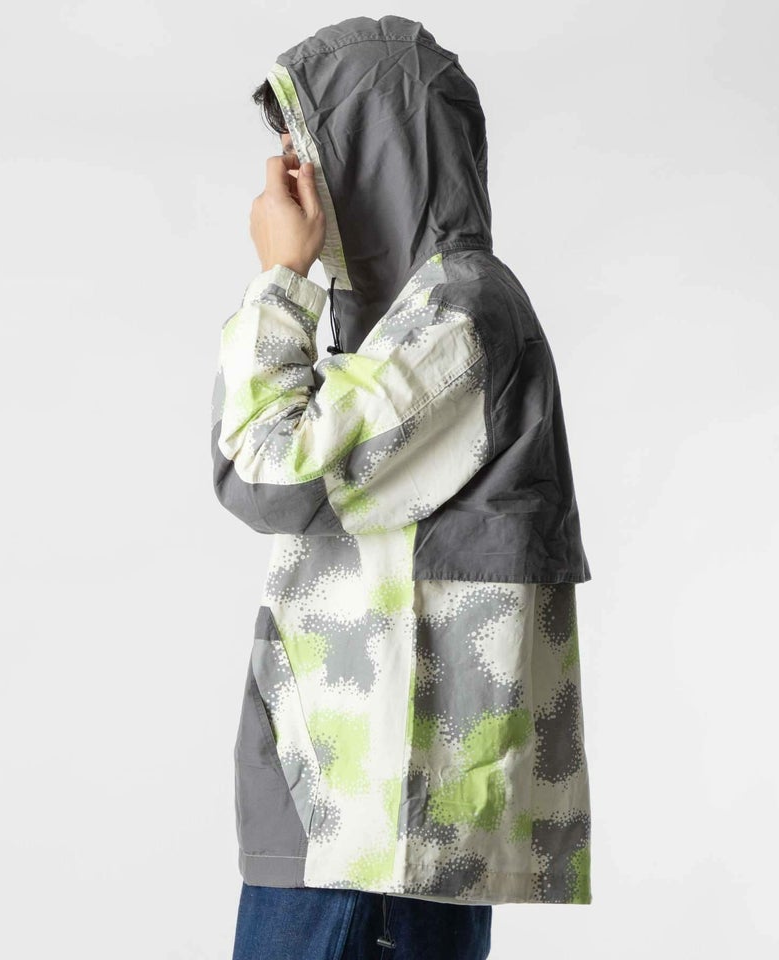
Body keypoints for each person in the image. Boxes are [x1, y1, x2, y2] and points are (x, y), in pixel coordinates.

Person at [210, 14, 593, 960]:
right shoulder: (405, 327)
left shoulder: (459, 316)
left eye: (309, 145)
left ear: (373, 151)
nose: (291, 176)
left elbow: (265, 469)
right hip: (366, 814)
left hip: (375, 831)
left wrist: (282, 278)